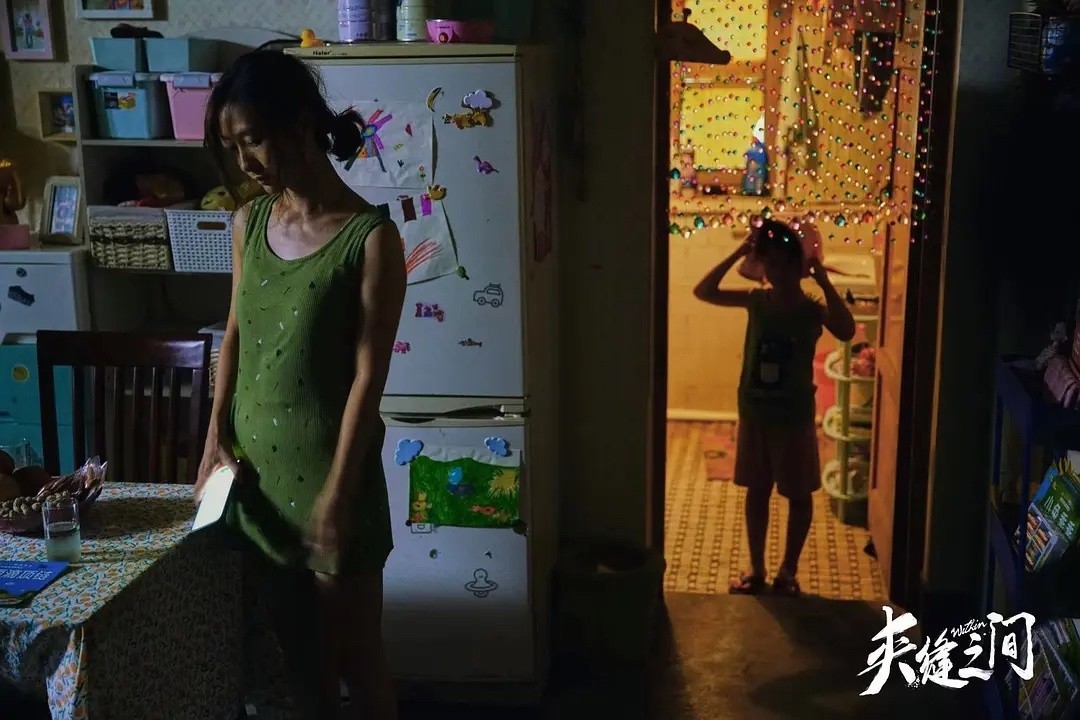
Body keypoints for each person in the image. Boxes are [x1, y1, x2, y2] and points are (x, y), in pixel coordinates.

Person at [196, 50, 405, 719]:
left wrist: (337, 496)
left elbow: (368, 380)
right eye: (232, 147)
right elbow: (235, 334)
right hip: (255, 485)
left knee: (357, 663)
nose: (245, 163)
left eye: (253, 139)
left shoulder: (370, 239)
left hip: (330, 482)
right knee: (299, 672)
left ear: (301, 124)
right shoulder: (249, 223)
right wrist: (213, 440)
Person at [692, 219, 855, 597]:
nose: (778, 273)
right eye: (771, 264)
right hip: (756, 413)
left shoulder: (811, 310)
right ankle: (757, 568)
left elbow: (846, 330)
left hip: (793, 418)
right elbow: (704, 291)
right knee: (757, 491)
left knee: (798, 495)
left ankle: (787, 572)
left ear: (799, 266)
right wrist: (739, 252)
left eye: (785, 264)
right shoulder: (756, 301)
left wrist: (822, 279)